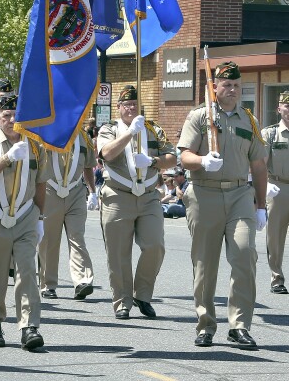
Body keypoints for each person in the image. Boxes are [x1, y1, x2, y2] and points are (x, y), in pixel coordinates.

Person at [179, 61, 268, 349]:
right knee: (205, 264)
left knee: (244, 254)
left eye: (237, 85)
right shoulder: (200, 116)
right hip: (204, 193)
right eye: (227, 85)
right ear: (214, 87)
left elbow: (258, 165)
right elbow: (185, 156)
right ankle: (205, 325)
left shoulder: (249, 120)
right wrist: (203, 161)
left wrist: (261, 205)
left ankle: (239, 326)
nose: (232, 90)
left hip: (240, 194)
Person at [0, 94, 50, 350]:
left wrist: (40, 217)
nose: (13, 119)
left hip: (26, 215)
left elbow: (40, 183)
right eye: (7, 115)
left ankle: (29, 326)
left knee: (27, 270)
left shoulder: (35, 144)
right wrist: (6, 158)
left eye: (17, 115)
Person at [97, 85, 176, 320]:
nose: (131, 108)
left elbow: (172, 158)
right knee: (118, 253)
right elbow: (107, 154)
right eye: (127, 105)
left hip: (149, 195)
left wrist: (152, 161)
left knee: (155, 246)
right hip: (118, 195)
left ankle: (142, 294)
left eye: (134, 104)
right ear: (119, 107)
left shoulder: (153, 129)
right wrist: (130, 133)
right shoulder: (109, 129)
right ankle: (122, 301)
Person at [40, 128, 96, 301]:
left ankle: (82, 281)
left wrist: (93, 192)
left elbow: (88, 166)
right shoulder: (44, 131)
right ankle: (48, 284)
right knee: (49, 240)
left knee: (77, 236)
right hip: (50, 189)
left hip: (76, 191)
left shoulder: (84, 137)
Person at [263, 90, 289, 295]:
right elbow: (260, 164)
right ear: (279, 108)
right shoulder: (270, 133)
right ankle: (277, 278)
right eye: (287, 106)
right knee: (275, 237)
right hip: (278, 188)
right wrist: (263, 187)